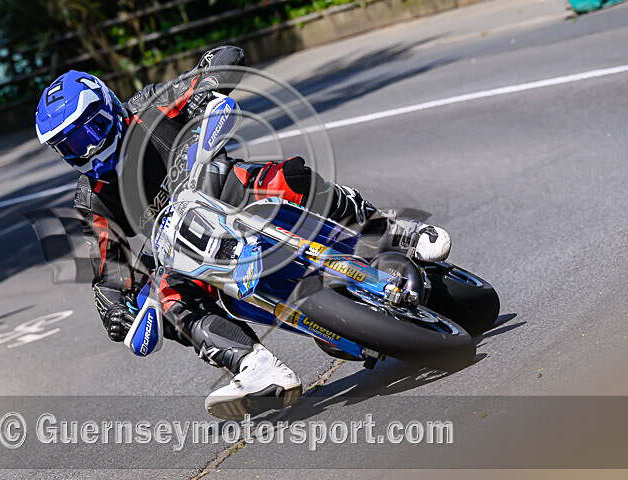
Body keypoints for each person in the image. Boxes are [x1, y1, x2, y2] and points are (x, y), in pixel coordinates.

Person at [34, 45, 451, 420]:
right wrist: (113, 304)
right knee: (163, 295)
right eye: (69, 145)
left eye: (89, 131)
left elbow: (224, 58)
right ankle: (253, 366)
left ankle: (391, 229)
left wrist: (208, 86)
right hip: (198, 254)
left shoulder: (152, 106)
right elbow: (107, 265)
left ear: (108, 105)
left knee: (287, 177)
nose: (86, 149)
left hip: (233, 195)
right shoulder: (92, 200)